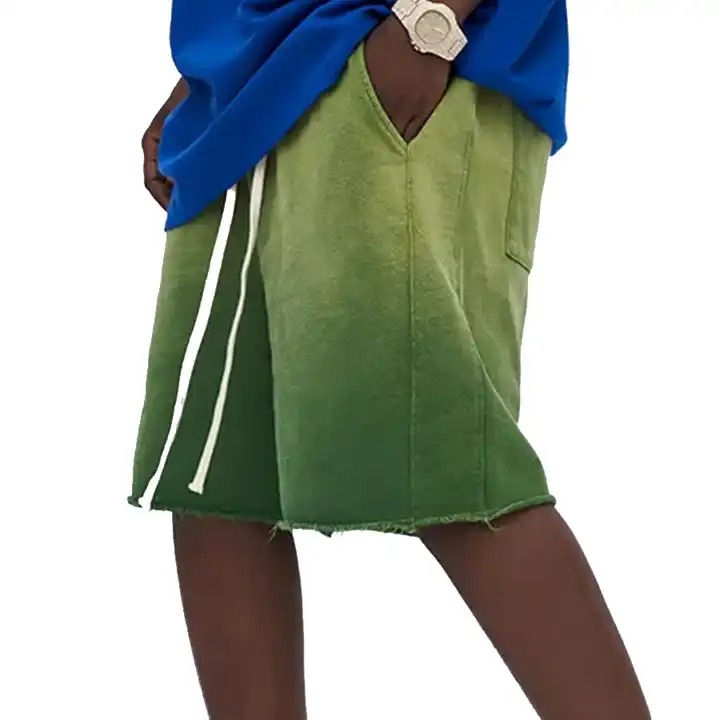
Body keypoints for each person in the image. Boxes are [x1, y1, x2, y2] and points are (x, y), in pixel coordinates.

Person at [133, 1, 651, 717]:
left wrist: (431, 20)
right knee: (217, 475)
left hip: (399, 49)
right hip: (243, 91)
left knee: (454, 466)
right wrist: (206, 72)